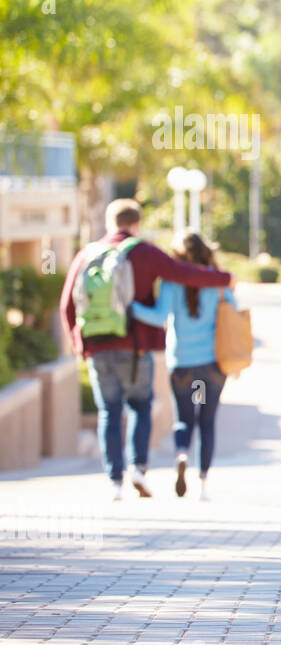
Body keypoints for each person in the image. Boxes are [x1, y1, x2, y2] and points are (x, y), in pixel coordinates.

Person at [60, 198, 235, 500]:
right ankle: (139, 467)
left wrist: (79, 344)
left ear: (108, 223)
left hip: (98, 348)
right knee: (141, 407)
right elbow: (186, 274)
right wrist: (225, 279)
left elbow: (67, 305)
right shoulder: (145, 253)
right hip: (138, 348)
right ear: (137, 224)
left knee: (108, 413)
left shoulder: (87, 253)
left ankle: (115, 481)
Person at [128, 233, 235, 501]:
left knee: (184, 420)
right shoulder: (217, 279)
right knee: (207, 422)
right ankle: (204, 484)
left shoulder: (171, 282)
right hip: (213, 365)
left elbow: (158, 316)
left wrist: (130, 308)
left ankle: (182, 454)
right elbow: (232, 313)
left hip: (183, 365)